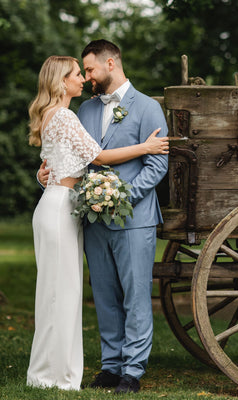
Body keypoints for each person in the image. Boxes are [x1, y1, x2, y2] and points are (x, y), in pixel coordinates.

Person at [27, 55, 169, 391]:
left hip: (132, 216)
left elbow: (156, 165)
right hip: (87, 216)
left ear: (110, 62)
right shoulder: (82, 111)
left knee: (134, 296)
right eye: (81, 72)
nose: (87, 77)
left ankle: (131, 371)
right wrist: (42, 175)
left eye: (89, 70)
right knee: (101, 295)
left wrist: (122, 198)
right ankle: (110, 366)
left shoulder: (147, 106)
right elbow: (78, 159)